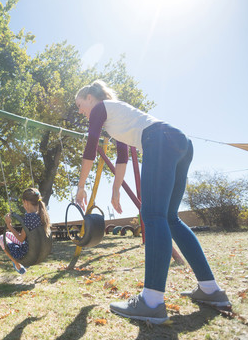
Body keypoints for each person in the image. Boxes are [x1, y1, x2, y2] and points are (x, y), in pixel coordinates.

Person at [74, 80, 231, 324]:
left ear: (90, 97)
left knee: (154, 216)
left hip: (159, 141)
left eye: (80, 104)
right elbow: (123, 156)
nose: (80, 111)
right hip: (181, 143)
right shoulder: (116, 114)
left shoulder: (100, 109)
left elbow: (90, 147)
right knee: (170, 218)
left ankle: (152, 301)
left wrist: (81, 185)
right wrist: (116, 190)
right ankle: (212, 290)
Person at [0, 188, 51, 275]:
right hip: (39, 250)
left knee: (1, 238)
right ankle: (19, 264)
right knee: (7, 234)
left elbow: (21, 238)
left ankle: (17, 264)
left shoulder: (29, 218)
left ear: (25, 202)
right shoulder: (42, 215)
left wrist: (9, 225)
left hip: (27, 253)